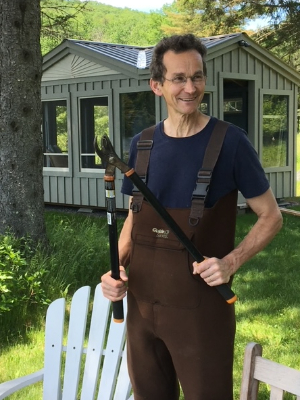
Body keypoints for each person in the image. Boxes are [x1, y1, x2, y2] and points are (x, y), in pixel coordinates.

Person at [101, 34, 283, 400]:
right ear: (157, 85)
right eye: (179, 78)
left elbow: (271, 216)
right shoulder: (143, 144)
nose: (190, 87)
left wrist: (231, 262)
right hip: (140, 306)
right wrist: (114, 269)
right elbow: (135, 219)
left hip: (200, 312)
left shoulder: (230, 142)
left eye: (197, 77)